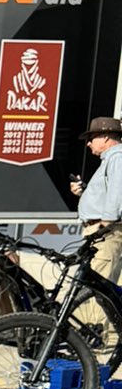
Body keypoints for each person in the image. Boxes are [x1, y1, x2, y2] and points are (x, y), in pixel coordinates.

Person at [70, 115, 122, 283]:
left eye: (91, 138)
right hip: (101, 232)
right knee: (91, 285)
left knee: (96, 287)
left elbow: (117, 193)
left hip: (105, 233)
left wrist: (105, 224)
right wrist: (84, 193)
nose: (88, 143)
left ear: (105, 137)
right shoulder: (111, 159)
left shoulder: (117, 157)